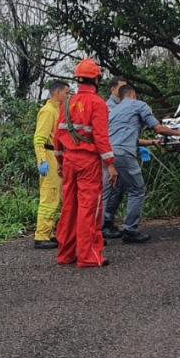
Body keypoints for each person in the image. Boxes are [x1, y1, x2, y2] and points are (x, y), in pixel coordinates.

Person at [102, 84, 180, 243]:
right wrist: (178, 132)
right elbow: (158, 128)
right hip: (124, 154)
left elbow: (127, 137)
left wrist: (152, 143)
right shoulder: (139, 105)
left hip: (108, 154)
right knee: (137, 190)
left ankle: (97, 230)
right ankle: (130, 231)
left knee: (107, 192)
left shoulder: (113, 112)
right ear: (133, 93)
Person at [54, 58, 117, 268]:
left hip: (69, 159)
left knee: (69, 208)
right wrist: (110, 164)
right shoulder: (97, 103)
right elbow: (101, 137)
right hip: (88, 162)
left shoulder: (67, 102)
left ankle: (66, 254)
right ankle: (88, 255)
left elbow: (58, 134)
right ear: (97, 79)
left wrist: (60, 160)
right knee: (89, 208)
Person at [32, 80, 70, 249]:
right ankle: (41, 235)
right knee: (49, 197)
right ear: (57, 93)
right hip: (49, 158)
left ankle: (52, 232)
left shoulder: (59, 110)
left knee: (58, 197)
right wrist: (42, 161)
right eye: (66, 93)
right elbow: (39, 139)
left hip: (58, 157)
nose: (68, 96)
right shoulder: (48, 111)